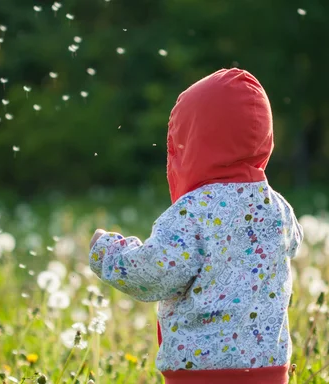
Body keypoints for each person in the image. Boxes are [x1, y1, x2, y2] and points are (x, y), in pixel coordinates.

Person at [89, 68, 303, 384]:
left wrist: (106, 252)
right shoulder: (278, 207)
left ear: (191, 141)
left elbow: (154, 272)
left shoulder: (192, 213)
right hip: (268, 368)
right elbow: (293, 244)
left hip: (203, 371)